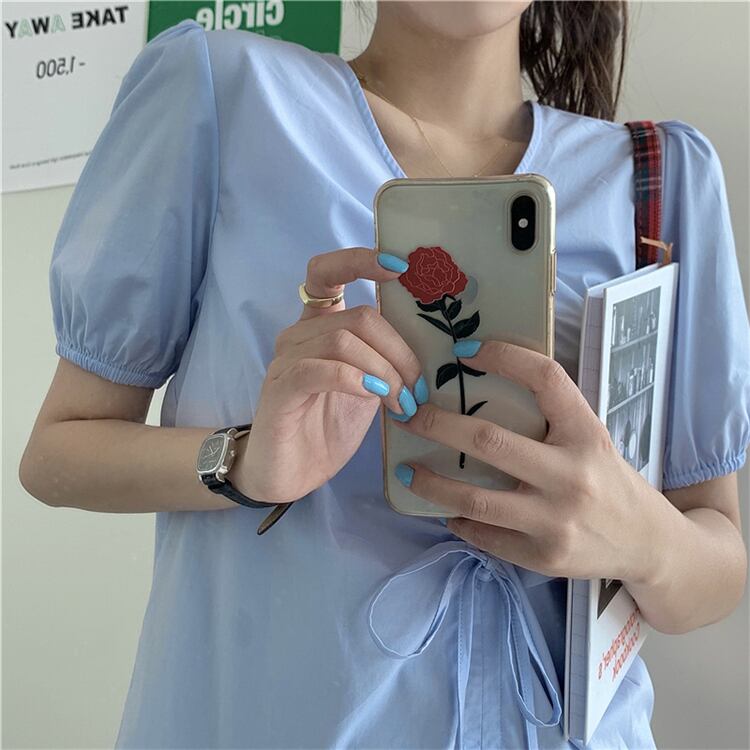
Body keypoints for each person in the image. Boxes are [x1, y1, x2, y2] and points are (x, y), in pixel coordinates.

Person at [19, 2, 750, 748]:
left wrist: (637, 537)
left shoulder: (659, 181)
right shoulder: (223, 95)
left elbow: (717, 564)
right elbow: (57, 453)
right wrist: (244, 463)